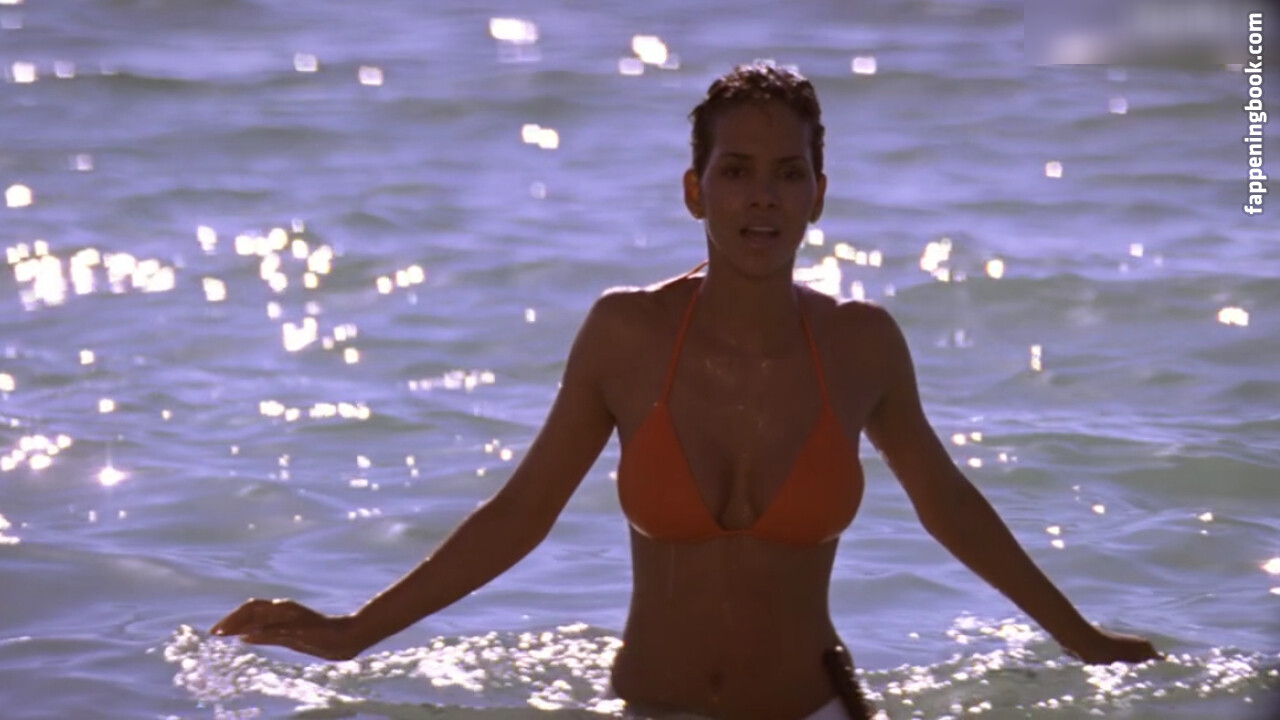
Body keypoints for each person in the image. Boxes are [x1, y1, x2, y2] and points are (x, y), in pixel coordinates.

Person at [210, 61, 1161, 719]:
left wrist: (1083, 641)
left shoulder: (861, 345)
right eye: (736, 172)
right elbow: (521, 514)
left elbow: (948, 505)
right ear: (695, 191)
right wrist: (355, 632)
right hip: (655, 709)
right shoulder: (627, 335)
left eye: (788, 174)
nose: (763, 197)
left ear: (818, 194)